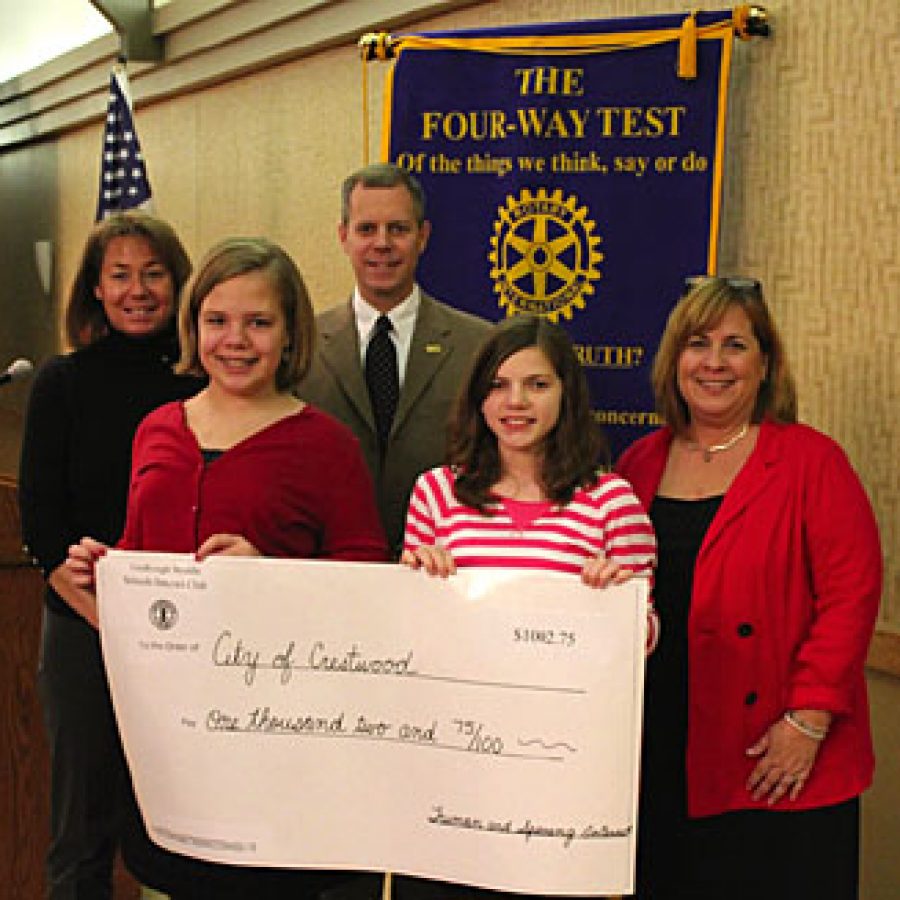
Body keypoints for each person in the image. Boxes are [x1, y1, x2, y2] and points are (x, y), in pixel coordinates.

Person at [67, 237, 388, 899]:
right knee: (167, 876)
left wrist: (266, 578)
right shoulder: (156, 427)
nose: (235, 340)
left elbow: (366, 590)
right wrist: (103, 567)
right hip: (171, 741)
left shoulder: (326, 445)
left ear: (290, 332)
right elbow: (137, 548)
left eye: (258, 322)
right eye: (217, 321)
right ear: (193, 327)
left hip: (278, 748)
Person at [615, 276, 882, 900]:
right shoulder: (638, 463)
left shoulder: (812, 461)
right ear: (673, 360)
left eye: (734, 345)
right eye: (697, 343)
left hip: (779, 752)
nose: (713, 362)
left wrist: (808, 721)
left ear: (765, 364)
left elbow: (851, 596)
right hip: (665, 751)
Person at [398, 315, 657, 900]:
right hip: (453, 765)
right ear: (478, 399)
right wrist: (416, 582)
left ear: (566, 394)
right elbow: (411, 636)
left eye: (537, 385)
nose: (516, 402)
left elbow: (644, 641)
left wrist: (618, 605)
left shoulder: (611, 501)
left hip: (560, 774)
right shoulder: (435, 493)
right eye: (499, 385)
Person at [18, 212, 202, 900]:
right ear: (95, 288)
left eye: (153, 273)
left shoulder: (201, 382)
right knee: (80, 829)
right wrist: (102, 617)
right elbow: (42, 523)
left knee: (183, 823)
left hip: (185, 635)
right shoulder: (61, 384)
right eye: (120, 275)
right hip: (81, 628)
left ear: (178, 283)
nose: (138, 289)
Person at [297, 162, 493, 557]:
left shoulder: (479, 345)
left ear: (423, 237)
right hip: (328, 569)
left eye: (398, 229)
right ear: (343, 236)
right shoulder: (302, 344)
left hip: (443, 571)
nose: (382, 244)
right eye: (366, 229)